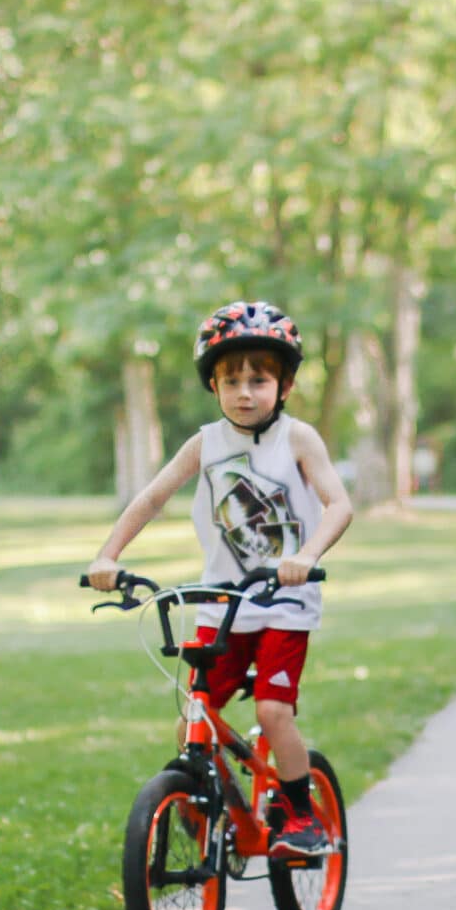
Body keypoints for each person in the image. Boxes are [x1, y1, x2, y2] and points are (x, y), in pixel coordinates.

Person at [87, 300, 353, 857]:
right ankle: (207, 801)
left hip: (284, 603)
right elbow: (153, 497)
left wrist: (305, 555)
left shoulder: (298, 439)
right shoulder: (206, 443)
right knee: (195, 713)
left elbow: (338, 505)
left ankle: (301, 815)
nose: (245, 392)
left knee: (272, 711)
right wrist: (108, 555)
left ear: (284, 385)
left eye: (259, 379)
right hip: (223, 605)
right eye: (231, 380)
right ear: (213, 385)